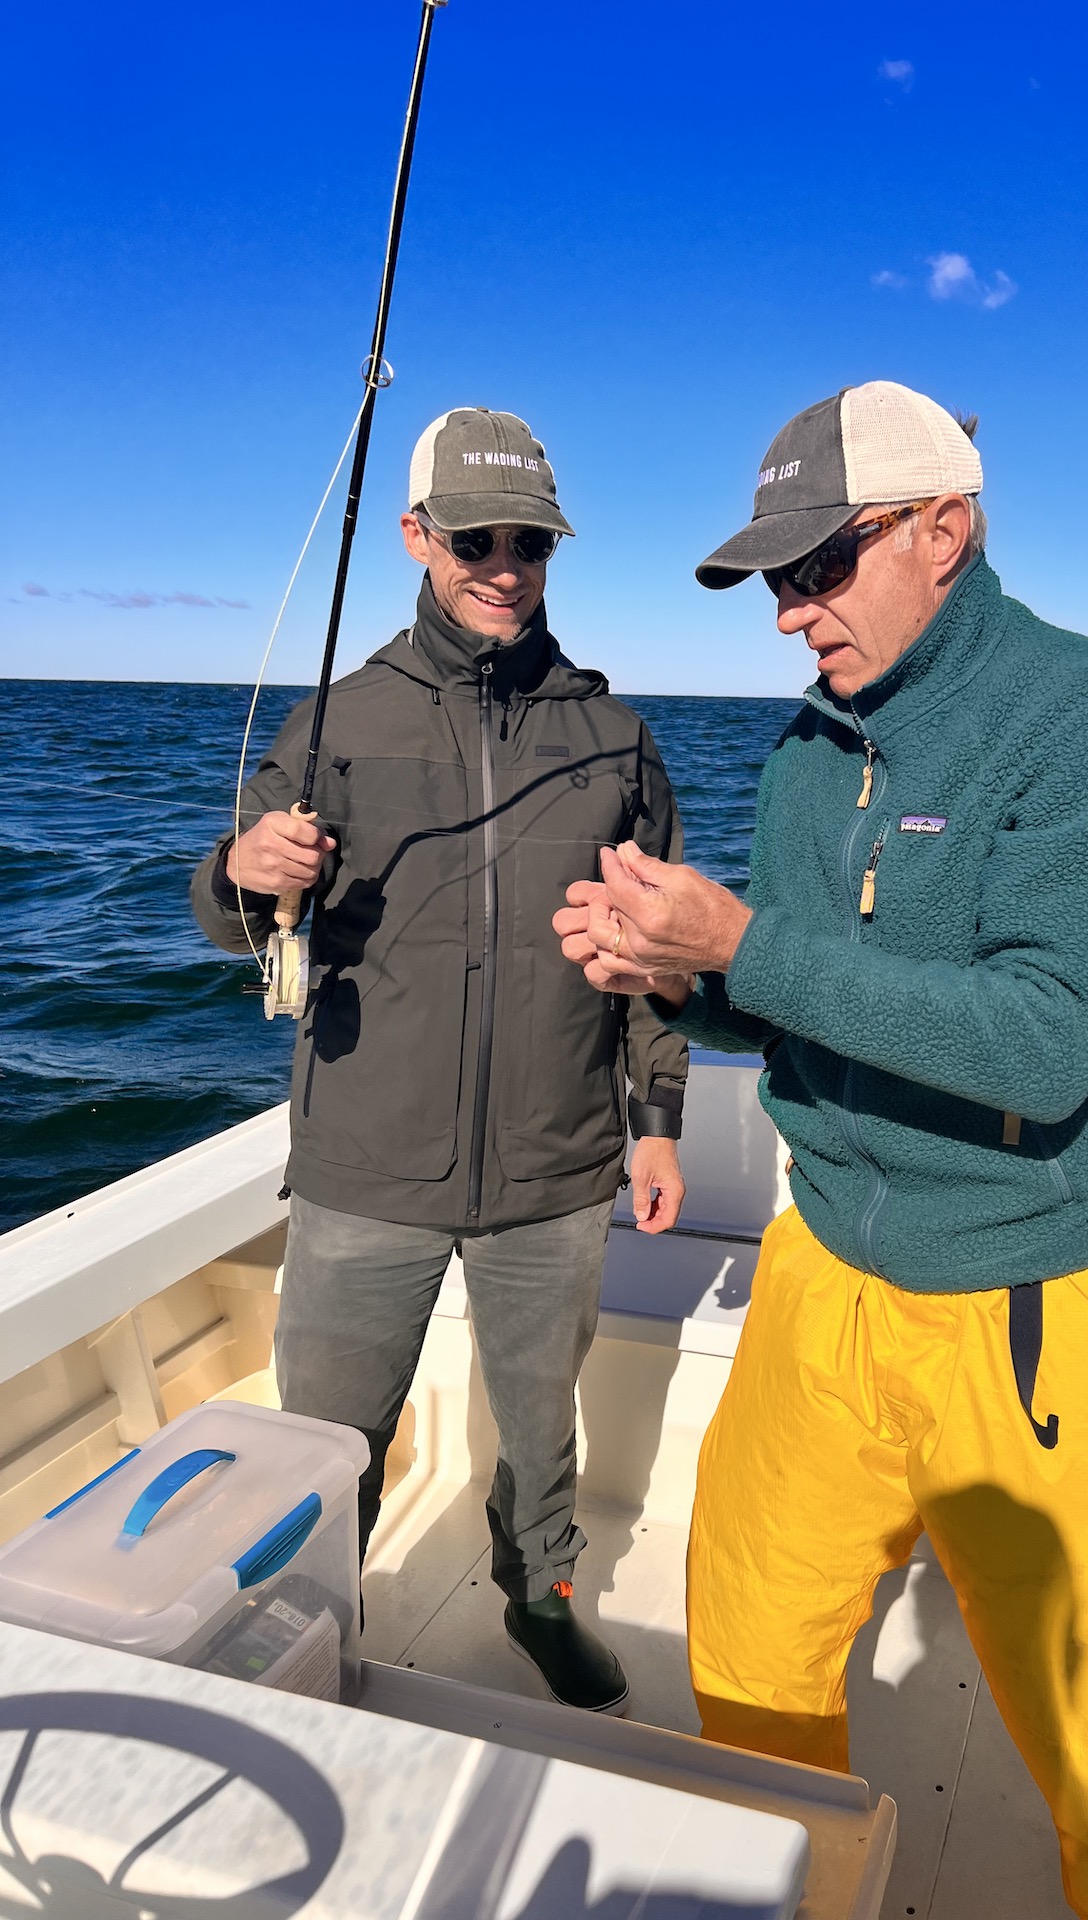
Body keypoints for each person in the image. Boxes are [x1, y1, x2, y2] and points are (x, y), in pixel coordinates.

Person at [554, 382, 1088, 1912]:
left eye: (818, 567)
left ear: (945, 528)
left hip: (1039, 1310)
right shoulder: (806, 757)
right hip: (823, 1277)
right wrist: (685, 975)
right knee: (744, 1642)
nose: (791, 614)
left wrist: (746, 942)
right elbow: (808, 1012)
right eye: (773, 582)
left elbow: (1047, 1045)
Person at [192, 405, 688, 1714]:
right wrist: (246, 873)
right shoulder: (333, 721)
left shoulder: (616, 740)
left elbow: (650, 956)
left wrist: (659, 1119)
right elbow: (235, 909)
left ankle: (541, 1599)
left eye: (530, 539)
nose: (505, 562)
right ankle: (298, 1631)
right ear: (417, 538)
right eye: (476, 537)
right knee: (326, 1443)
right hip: (365, 1168)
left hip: (558, 1167)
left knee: (544, 1429)